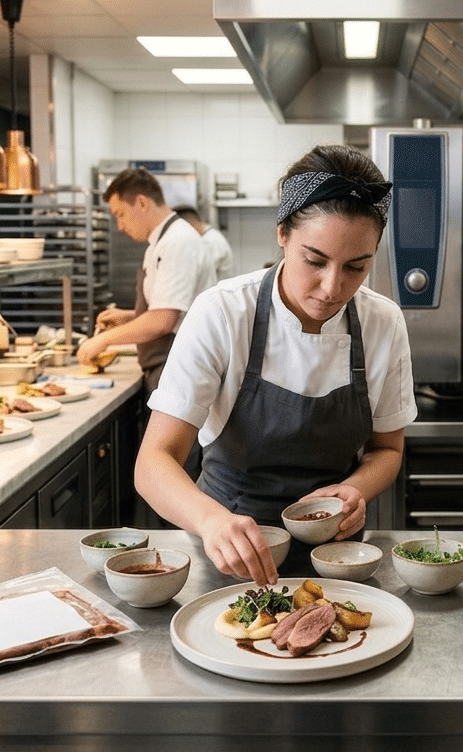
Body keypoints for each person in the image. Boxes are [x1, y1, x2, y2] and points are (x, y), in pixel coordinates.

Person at [134, 145, 417, 585]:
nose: (332, 287)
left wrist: (356, 489)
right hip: (228, 554)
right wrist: (211, 521)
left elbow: (388, 449)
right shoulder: (223, 313)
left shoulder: (382, 322)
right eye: (314, 260)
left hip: (338, 557)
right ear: (282, 234)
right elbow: (154, 462)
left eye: (356, 267)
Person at [77, 168, 215, 392]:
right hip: (167, 363)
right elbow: (176, 307)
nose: (120, 227)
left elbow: (163, 321)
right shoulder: (160, 243)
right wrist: (129, 316)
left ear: (141, 202)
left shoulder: (177, 242)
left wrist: (102, 340)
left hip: (179, 366)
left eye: (120, 214)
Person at [173, 204, 235, 280]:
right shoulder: (206, 238)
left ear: (190, 223)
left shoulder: (211, 241)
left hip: (218, 289)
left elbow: (201, 272)